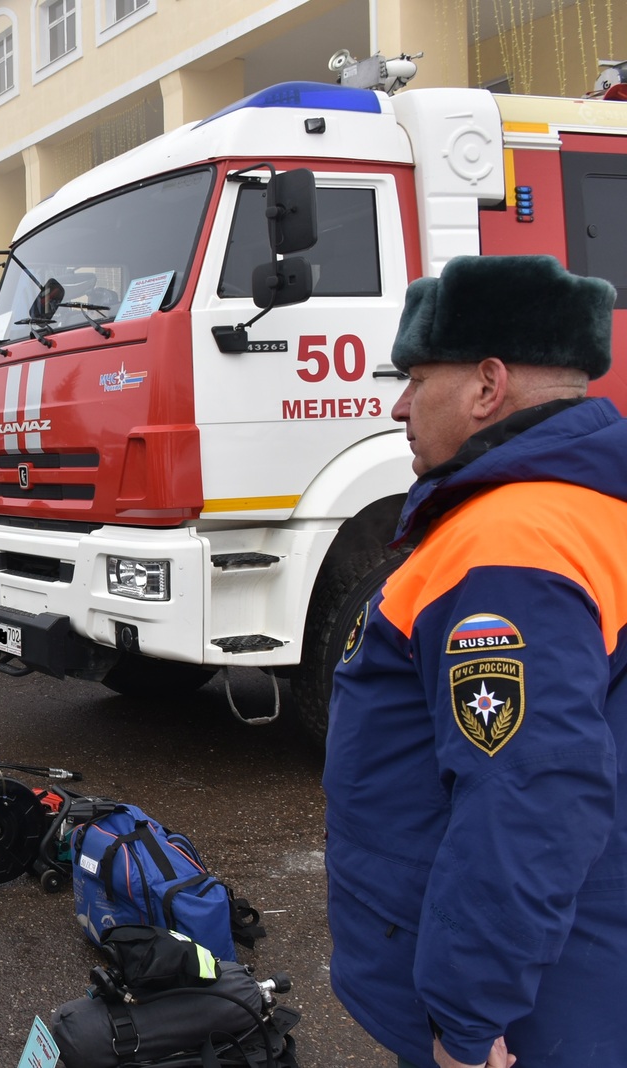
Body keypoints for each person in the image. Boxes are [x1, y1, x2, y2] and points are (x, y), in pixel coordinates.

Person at [325, 254, 626, 1068]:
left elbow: (527, 792)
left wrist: (465, 1020)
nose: (397, 405)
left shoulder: (513, 542)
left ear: (487, 387)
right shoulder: (583, 509)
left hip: (533, 1015)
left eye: (417, 377)